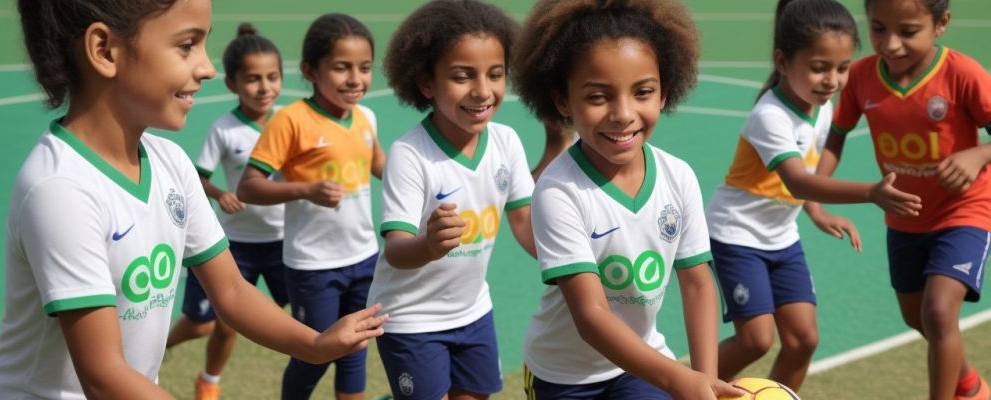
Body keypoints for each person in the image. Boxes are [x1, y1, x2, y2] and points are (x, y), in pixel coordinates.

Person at [0, 1, 386, 399]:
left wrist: (315, 346)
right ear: (104, 50)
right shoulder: (61, 189)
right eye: (186, 46)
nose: (208, 68)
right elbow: (103, 375)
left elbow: (231, 290)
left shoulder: (170, 161)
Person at [510, 0, 746, 399]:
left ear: (664, 93)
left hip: (640, 363)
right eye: (598, 97)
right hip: (563, 377)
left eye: (642, 92)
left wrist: (705, 379)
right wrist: (677, 379)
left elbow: (698, 285)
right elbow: (591, 315)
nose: (623, 114)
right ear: (563, 101)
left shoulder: (679, 176)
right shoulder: (557, 191)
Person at [820, 0, 991, 398]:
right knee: (918, 319)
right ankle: (969, 385)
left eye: (908, 32)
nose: (890, 44)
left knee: (938, 312)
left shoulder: (962, 74)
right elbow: (837, 134)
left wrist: (979, 153)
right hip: (904, 218)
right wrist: (815, 192)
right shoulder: (862, 76)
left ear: (941, 23)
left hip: (963, 211)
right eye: (878, 29)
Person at [366, 1, 536, 399]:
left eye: (495, 74)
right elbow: (396, 250)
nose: (482, 90)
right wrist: (428, 244)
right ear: (427, 83)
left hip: (474, 310)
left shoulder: (506, 141)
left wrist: (571, 258)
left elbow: (526, 221)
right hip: (411, 317)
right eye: (462, 76)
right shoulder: (410, 154)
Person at [703, 0, 867, 391]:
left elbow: (806, 174)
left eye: (842, 68)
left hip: (781, 238)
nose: (832, 80)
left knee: (803, 340)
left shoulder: (821, 107)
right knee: (756, 339)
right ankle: (678, 390)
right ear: (782, 61)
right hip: (736, 235)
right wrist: (872, 193)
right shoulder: (770, 116)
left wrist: (816, 211)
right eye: (819, 67)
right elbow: (797, 180)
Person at [235, 13, 385, 400]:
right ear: (310, 70)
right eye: (341, 68)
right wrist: (306, 190)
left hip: (364, 256)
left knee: (356, 348)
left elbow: (383, 167)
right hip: (313, 263)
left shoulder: (366, 117)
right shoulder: (290, 121)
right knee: (312, 353)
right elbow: (248, 186)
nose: (355, 79)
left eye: (364, 68)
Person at [163, 22, 288, 400]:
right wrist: (220, 194)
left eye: (272, 77)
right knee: (212, 325)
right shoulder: (224, 129)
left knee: (284, 315)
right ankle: (202, 377)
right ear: (232, 84)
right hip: (234, 244)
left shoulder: (289, 121)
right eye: (252, 79)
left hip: (284, 242)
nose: (264, 87)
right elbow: (198, 178)